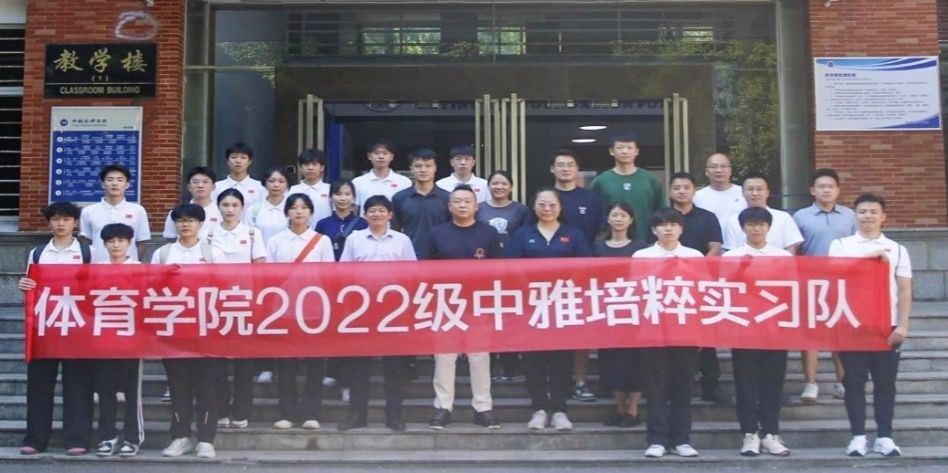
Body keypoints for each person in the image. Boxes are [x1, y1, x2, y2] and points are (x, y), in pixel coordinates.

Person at [830, 193, 911, 457]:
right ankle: (858, 436)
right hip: (851, 323)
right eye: (863, 211)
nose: (868, 216)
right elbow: (834, 273)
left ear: (883, 217)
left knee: (885, 382)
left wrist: (902, 325)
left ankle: (885, 436)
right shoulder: (841, 245)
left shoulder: (897, 249)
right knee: (853, 381)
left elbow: (904, 289)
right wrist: (867, 259)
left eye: (873, 212)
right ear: (855, 215)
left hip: (886, 325)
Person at [418, 185, 503, 430]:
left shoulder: (488, 233)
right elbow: (424, 268)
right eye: (457, 201)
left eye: (467, 201)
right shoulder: (437, 233)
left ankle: (483, 408)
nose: (462, 205)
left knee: (480, 357)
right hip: (446, 304)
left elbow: (499, 269)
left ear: (476, 206)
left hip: (479, 305)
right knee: (444, 358)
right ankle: (443, 408)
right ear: (449, 206)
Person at [508, 188, 592, 431]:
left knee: (561, 361)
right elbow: (511, 267)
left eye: (552, 204)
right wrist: (530, 289)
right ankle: (539, 409)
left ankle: (560, 410)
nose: (547, 209)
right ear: (534, 208)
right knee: (533, 360)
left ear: (560, 207)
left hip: (563, 305)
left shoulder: (573, 234)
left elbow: (585, 267)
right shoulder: (523, 234)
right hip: (531, 306)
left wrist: (563, 289)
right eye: (542, 204)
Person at [17, 202, 94, 456]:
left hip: (78, 326)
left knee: (78, 385)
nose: (61, 224)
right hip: (45, 327)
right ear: (49, 223)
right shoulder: (39, 253)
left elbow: (100, 285)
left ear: (75, 223)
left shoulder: (88, 252)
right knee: (39, 385)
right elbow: (31, 284)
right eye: (56, 219)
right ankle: (35, 439)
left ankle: (77, 439)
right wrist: (25, 285)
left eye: (66, 219)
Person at [152, 204, 225, 459]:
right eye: (181, 220)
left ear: (201, 224)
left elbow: (224, 287)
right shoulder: (163, 253)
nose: (185, 224)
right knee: (178, 387)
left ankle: (206, 439)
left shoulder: (213, 252)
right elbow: (151, 288)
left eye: (191, 220)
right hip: (173, 331)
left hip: (205, 330)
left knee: (207, 387)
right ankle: (180, 436)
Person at [338, 195, 416, 432]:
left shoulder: (402, 240)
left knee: (394, 367)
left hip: (394, 309)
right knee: (359, 366)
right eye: (372, 210)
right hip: (362, 308)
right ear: (365, 214)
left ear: (390, 215)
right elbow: (344, 273)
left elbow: (411, 274)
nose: (377, 214)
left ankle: (394, 416)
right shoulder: (355, 239)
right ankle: (357, 415)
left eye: (382, 210)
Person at [650, 172, 727, 405]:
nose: (682, 191)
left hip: (696, 286)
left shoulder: (707, 217)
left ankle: (710, 386)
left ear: (695, 191)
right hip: (665, 290)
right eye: (677, 187)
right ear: (670, 191)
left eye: (686, 187)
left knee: (705, 339)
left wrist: (693, 269)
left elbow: (715, 247)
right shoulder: (661, 218)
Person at [633, 209, 703, 458]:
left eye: (673, 224)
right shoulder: (641, 256)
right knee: (656, 387)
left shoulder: (694, 256)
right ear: (654, 230)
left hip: (686, 330)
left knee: (683, 387)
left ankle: (681, 439)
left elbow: (702, 293)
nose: (668, 229)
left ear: (681, 228)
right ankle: (657, 439)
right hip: (653, 330)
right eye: (662, 225)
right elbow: (635, 291)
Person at [724, 207, 793, 457]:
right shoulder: (732, 256)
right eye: (751, 224)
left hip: (775, 328)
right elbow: (723, 289)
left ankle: (771, 433)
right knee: (745, 384)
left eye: (761, 224)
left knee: (772, 384)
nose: (756, 229)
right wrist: (740, 269)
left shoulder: (782, 256)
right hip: (743, 328)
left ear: (768, 227)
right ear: (743, 228)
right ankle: (749, 433)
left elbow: (792, 289)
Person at [266, 193, 335, 431]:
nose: (299, 211)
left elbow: (329, 276)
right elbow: (269, 277)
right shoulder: (276, 241)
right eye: (294, 207)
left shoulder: (322, 241)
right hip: (284, 310)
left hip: (315, 309)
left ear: (311, 212)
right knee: (286, 364)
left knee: (315, 364)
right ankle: (288, 413)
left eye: (304, 207)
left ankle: (310, 413)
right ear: (286, 212)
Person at [793, 169, 855, 403]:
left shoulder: (850, 216)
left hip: (842, 284)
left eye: (830, 186)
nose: (826, 190)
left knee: (840, 335)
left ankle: (843, 382)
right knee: (811, 335)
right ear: (812, 190)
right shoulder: (800, 216)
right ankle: (810, 383)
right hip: (811, 283)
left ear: (838, 190)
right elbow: (795, 250)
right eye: (821, 186)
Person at [548, 149, 604, 402]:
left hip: (584, 276)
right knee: (552, 331)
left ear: (577, 169)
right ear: (552, 169)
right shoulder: (544, 197)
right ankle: (554, 380)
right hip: (547, 280)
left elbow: (601, 233)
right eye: (560, 165)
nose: (565, 169)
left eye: (570, 165)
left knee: (581, 330)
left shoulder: (591, 199)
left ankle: (580, 381)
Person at [209, 189, 267, 431]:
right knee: (217, 362)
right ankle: (221, 409)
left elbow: (260, 269)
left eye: (234, 205)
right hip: (215, 304)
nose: (230, 209)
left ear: (242, 207)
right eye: (225, 205)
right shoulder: (209, 233)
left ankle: (242, 411)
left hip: (245, 302)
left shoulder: (252, 233)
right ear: (218, 207)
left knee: (244, 362)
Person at [593, 202, 647, 428]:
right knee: (611, 362)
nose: (618, 219)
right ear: (607, 218)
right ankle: (619, 408)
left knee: (634, 362)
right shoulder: (597, 246)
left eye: (623, 215)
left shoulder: (641, 247)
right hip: (607, 310)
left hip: (635, 310)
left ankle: (633, 409)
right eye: (614, 215)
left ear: (631, 220)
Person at [92, 223, 144, 457]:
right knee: (105, 390)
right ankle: (108, 436)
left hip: (132, 339)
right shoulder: (96, 270)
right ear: (104, 244)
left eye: (121, 240)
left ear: (129, 243)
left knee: (132, 391)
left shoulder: (140, 269)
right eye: (111, 241)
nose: (116, 245)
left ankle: (132, 438)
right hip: (104, 338)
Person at [476, 170, 529, 381]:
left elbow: (525, 236)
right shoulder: (478, 208)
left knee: (510, 319)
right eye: (495, 183)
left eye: (504, 183)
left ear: (511, 186)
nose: (499, 187)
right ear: (488, 186)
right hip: (484, 271)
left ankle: (511, 366)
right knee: (486, 319)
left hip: (512, 271)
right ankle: (488, 367)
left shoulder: (521, 210)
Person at [590, 133, 664, 241]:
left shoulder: (650, 180)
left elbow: (661, 211)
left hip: (646, 241)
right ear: (611, 151)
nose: (625, 151)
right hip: (611, 242)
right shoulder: (600, 181)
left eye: (629, 148)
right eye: (620, 147)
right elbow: (594, 214)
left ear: (637, 151)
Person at [79, 164, 151, 263]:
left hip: (129, 268)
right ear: (103, 184)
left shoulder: (138, 210)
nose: (115, 183)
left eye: (120, 180)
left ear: (127, 185)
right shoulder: (89, 211)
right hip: (97, 266)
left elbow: (142, 241)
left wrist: (132, 262)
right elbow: (86, 240)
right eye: (110, 180)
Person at [722, 172, 803, 253]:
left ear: (767, 192)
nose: (755, 193)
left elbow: (791, 247)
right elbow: (731, 251)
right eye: (750, 189)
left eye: (759, 189)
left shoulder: (783, 217)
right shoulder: (733, 220)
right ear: (743, 193)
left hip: (778, 261)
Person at [392, 148, 451, 254]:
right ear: (411, 169)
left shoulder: (447, 198)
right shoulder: (400, 198)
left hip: (441, 256)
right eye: (418, 166)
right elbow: (394, 230)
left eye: (428, 166)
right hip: (410, 255)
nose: (423, 170)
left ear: (435, 168)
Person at [351, 138, 412, 212]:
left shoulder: (404, 182)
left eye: (385, 153)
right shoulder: (357, 182)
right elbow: (353, 210)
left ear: (392, 157)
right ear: (369, 156)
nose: (381, 156)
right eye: (376, 153)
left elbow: (407, 210)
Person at [162, 166, 221, 241]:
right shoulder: (176, 212)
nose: (200, 185)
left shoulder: (221, 212)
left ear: (213, 187)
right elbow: (171, 239)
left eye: (205, 182)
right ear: (189, 187)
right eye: (195, 182)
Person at [315, 179, 368, 261]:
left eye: (347, 194)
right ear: (331, 197)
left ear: (354, 197)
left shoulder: (363, 224)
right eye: (338, 194)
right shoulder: (322, 224)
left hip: (355, 267)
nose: (343, 198)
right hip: (328, 268)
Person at [693, 153, 747, 231]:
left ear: (730, 170)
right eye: (714, 166)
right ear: (706, 171)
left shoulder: (744, 193)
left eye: (723, 166)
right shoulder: (696, 197)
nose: (719, 170)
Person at [245, 167, 293, 245]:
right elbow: (248, 237)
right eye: (271, 181)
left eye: (281, 181)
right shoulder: (254, 210)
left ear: (287, 184)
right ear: (265, 183)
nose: (276, 185)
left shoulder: (292, 209)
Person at [212, 142, 266, 209]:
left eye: (243, 157)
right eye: (233, 157)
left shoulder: (260, 187)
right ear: (227, 161)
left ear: (250, 161)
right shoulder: (216, 187)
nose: (238, 161)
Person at [288, 148, 332, 226]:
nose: (310, 168)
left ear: (322, 168)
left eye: (314, 164)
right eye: (306, 164)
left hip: (324, 232)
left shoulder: (329, 189)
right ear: (300, 168)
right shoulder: (293, 190)